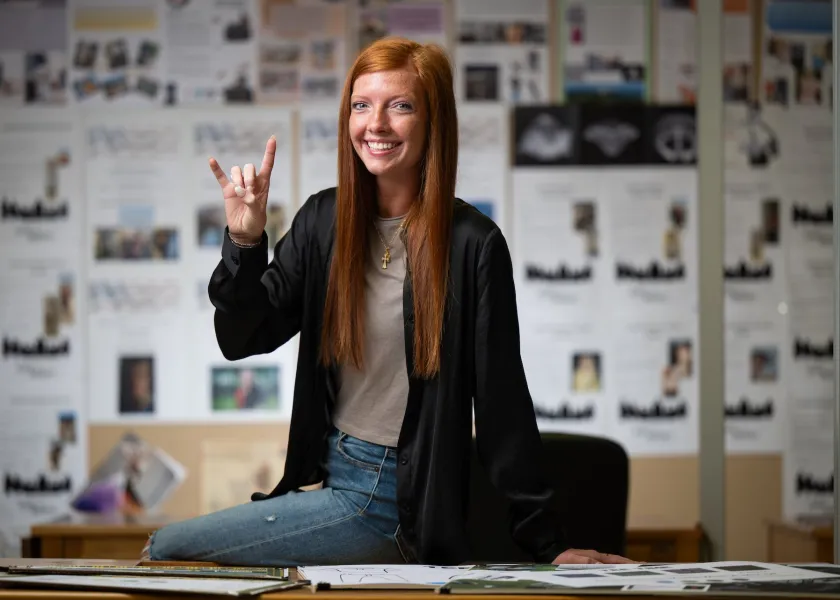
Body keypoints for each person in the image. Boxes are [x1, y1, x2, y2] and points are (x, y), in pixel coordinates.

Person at [145, 37, 632, 567]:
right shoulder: (322, 222)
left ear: (432, 122)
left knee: (169, 549)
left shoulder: (472, 243)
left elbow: (502, 404)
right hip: (335, 472)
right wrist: (244, 243)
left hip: (392, 500)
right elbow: (242, 338)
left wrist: (550, 545)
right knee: (169, 550)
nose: (375, 123)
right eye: (361, 105)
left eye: (399, 105)